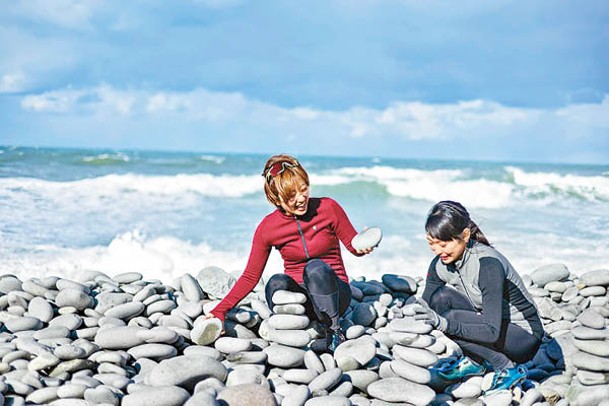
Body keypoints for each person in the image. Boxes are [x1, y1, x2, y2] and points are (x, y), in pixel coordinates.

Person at [205, 154, 376, 352]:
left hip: (334, 296)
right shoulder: (268, 227)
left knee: (315, 268)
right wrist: (220, 311)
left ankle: (334, 331)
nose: (302, 198)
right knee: (276, 282)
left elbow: (353, 246)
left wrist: (364, 246)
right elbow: (251, 276)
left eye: (304, 189)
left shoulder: (328, 208)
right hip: (300, 303)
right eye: (291, 195)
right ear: (276, 198)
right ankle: (289, 333)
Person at [414, 201, 544, 394]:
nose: (438, 251)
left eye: (443, 244)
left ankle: (507, 367)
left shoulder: (488, 265)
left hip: (524, 337)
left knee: (450, 319)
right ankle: (475, 361)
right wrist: (408, 317)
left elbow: (491, 331)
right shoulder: (440, 264)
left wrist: (443, 324)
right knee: (438, 299)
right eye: (432, 244)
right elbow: (426, 304)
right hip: (490, 321)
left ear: (465, 235)